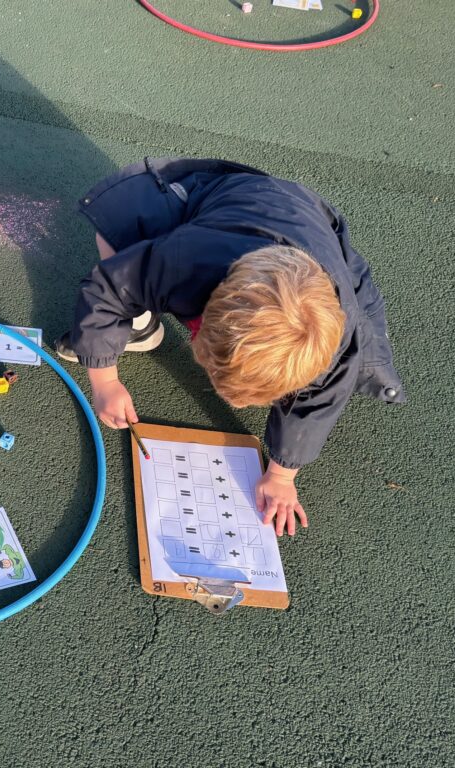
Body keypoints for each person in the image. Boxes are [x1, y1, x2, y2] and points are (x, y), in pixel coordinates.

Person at [56, 157, 404, 536]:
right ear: (206, 311)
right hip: (237, 195)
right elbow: (110, 287)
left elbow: (315, 409)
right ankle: (138, 326)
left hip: (309, 223)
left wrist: (282, 476)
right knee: (112, 234)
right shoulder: (186, 258)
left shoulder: (335, 348)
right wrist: (104, 380)